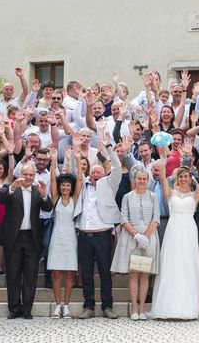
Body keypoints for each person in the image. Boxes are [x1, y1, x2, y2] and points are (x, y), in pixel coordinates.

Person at [150, 160, 199, 320]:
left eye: (186, 176)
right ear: (177, 178)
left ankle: (187, 308)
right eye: (181, 176)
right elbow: (162, 178)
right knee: (171, 265)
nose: (183, 179)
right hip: (173, 230)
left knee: (187, 265)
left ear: (190, 179)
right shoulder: (170, 193)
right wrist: (163, 158)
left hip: (189, 230)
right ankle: (167, 307)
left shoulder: (194, 195)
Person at [0, 158, 53, 319]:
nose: (28, 177)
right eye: (25, 174)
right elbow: (0, 199)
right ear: (20, 174)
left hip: (32, 238)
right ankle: (14, 308)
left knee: (30, 275)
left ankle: (27, 309)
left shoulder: (37, 190)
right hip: (13, 238)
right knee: (13, 275)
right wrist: (13, 187)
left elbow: (48, 208)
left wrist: (44, 195)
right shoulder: (10, 187)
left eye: (31, 175)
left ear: (34, 176)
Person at [73, 131, 122, 320]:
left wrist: (109, 148)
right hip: (84, 235)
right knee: (85, 273)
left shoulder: (109, 184)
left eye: (98, 172)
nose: (94, 174)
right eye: (92, 172)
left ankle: (107, 306)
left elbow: (116, 167)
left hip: (102, 236)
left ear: (104, 174)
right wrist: (76, 157)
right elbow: (76, 172)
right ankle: (89, 306)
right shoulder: (82, 184)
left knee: (104, 272)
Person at [110, 168, 160, 320]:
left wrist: (145, 237)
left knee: (144, 275)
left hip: (149, 237)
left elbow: (156, 217)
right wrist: (136, 235)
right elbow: (123, 218)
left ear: (147, 180)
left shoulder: (153, 197)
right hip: (131, 237)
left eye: (144, 179)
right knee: (133, 274)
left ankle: (142, 309)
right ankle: (133, 309)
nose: (142, 181)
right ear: (134, 179)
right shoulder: (127, 197)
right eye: (139, 178)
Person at [48, 147, 83, 319]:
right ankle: (57, 306)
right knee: (56, 273)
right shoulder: (55, 199)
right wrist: (54, 160)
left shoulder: (74, 200)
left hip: (70, 238)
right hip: (57, 237)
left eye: (68, 185)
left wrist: (77, 158)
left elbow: (81, 181)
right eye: (63, 184)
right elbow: (52, 180)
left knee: (69, 273)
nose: (65, 187)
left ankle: (67, 306)